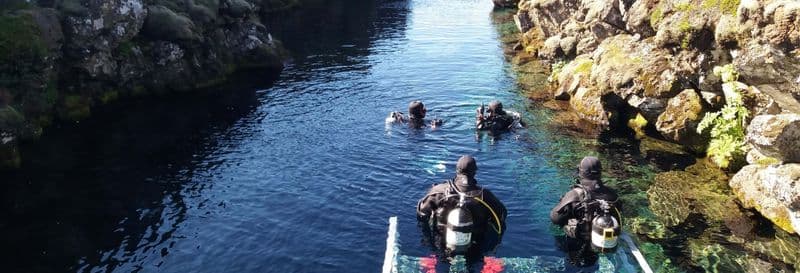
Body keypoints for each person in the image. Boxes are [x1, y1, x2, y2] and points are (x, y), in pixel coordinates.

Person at [417, 155, 507, 271]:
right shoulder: (485, 196)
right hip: (475, 248)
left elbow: (421, 213)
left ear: (457, 170)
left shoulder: (438, 192)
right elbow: (502, 215)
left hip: (441, 246)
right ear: (475, 172)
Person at [550, 156, 622, 266]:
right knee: (591, 264)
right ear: (600, 173)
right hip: (601, 243)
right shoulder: (613, 195)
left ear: (581, 172)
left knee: (571, 263)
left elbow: (555, 218)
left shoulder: (575, 194)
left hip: (576, 244)